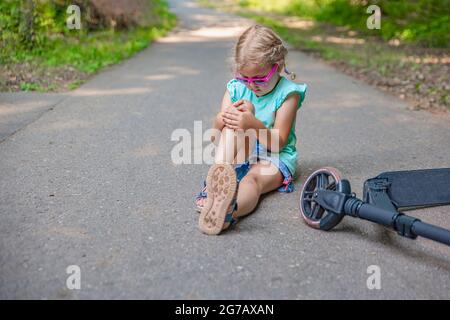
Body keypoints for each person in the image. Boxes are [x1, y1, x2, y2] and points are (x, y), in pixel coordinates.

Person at [196, 24, 307, 235]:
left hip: (275, 157)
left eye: (259, 79)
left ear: (279, 65)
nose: (251, 85)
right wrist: (222, 118)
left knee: (251, 180)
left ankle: (229, 210)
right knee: (231, 126)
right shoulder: (236, 89)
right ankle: (219, 181)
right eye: (244, 78)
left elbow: (279, 142)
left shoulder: (287, 94)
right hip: (243, 152)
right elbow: (215, 137)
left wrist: (252, 123)